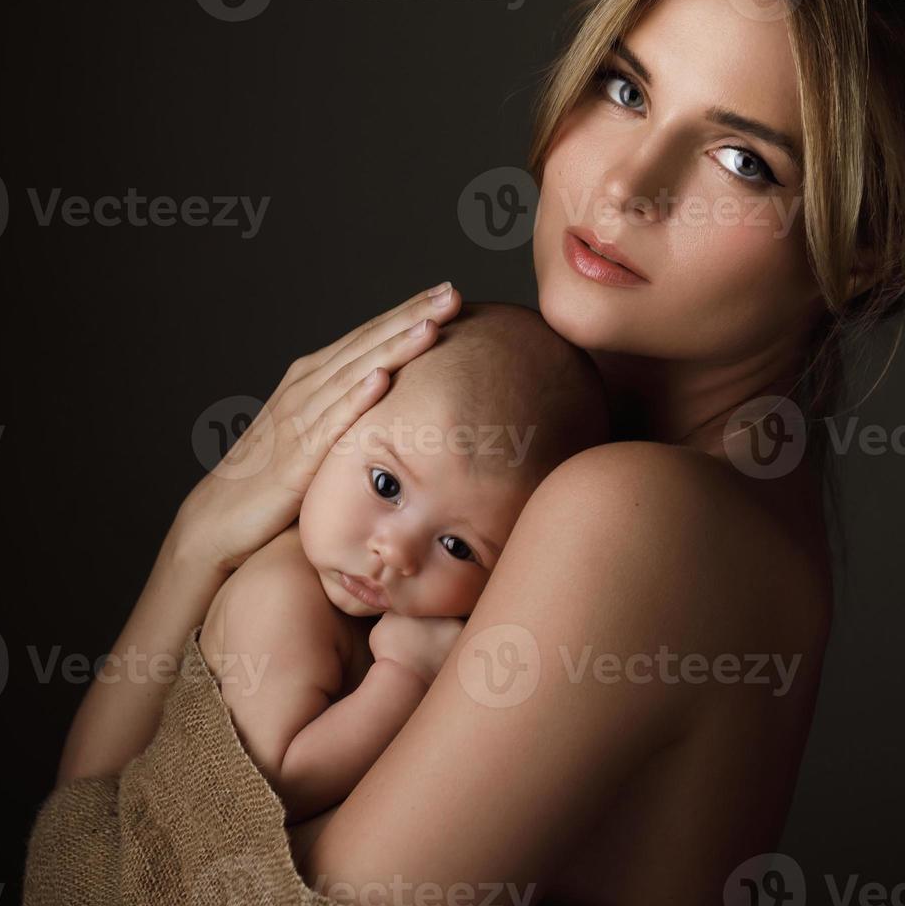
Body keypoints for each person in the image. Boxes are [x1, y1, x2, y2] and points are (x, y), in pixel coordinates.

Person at [44, 0, 905, 906]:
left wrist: (204, 557)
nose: (625, 185)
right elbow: (81, 884)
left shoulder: (643, 517)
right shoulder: (596, 463)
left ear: (872, 244)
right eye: (625, 88)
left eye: (744, 161)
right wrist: (205, 530)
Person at [195, 302, 609, 828]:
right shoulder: (280, 594)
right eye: (386, 485)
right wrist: (405, 682)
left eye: (458, 548)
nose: (396, 553)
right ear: (333, 432)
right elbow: (268, 788)